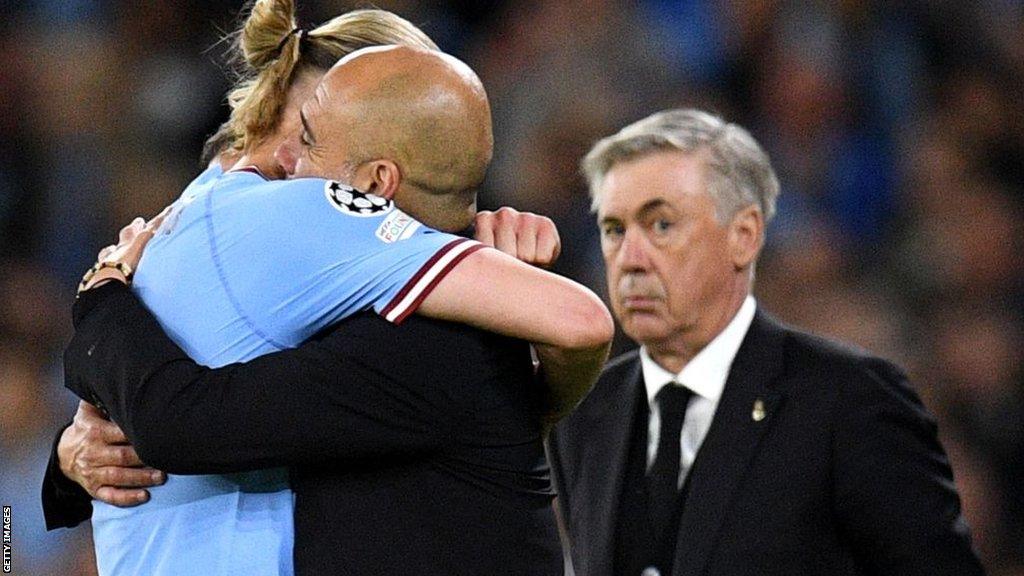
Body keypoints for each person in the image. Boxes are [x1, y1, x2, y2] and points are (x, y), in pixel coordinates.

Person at [46, 6, 612, 576]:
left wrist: (99, 308)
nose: (289, 163)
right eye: (302, 132)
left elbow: (173, 418)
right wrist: (71, 453)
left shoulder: (196, 220)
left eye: (311, 140)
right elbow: (180, 416)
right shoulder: (282, 220)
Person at [546, 108, 986, 576]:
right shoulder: (587, 414)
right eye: (614, 230)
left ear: (744, 235)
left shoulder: (850, 401)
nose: (630, 259)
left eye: (661, 225)